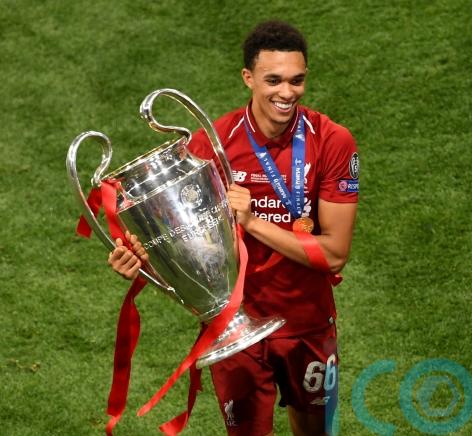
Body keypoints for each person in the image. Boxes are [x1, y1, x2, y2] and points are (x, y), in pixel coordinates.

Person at [108, 20, 359, 436]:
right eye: (273, 80)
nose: (287, 92)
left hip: (307, 322)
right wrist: (139, 260)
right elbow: (181, 243)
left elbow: (334, 253)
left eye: (297, 80)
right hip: (233, 326)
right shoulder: (210, 146)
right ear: (248, 78)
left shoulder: (332, 141)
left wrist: (252, 222)